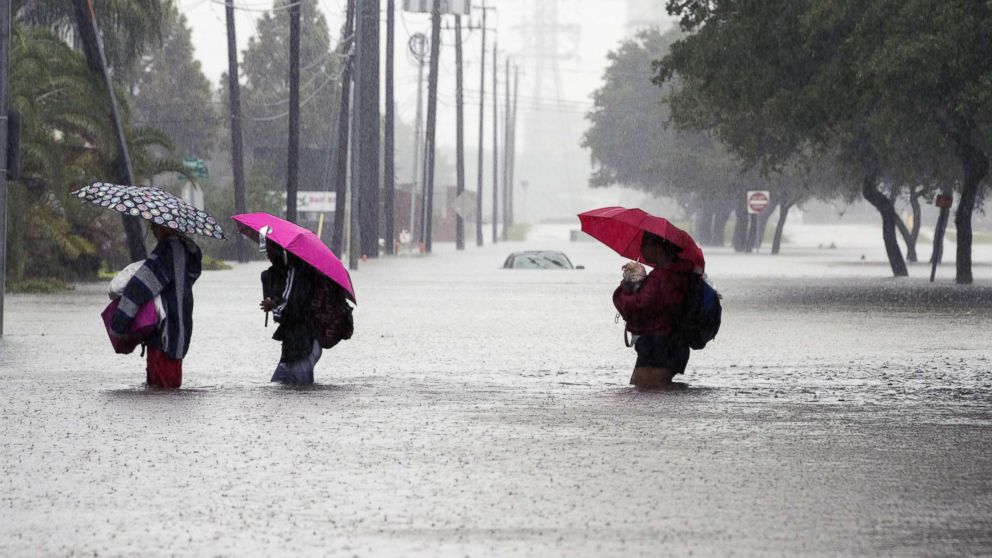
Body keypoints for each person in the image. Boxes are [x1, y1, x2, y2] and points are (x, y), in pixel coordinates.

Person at [110, 223, 202, 388]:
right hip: (180, 332)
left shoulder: (166, 251)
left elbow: (139, 288)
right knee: (170, 392)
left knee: (160, 392)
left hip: (164, 336)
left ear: (165, 226)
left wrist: (118, 325)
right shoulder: (186, 250)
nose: (152, 229)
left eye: (155, 225)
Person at [613, 232, 694, 388]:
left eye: (644, 246)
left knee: (645, 390)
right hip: (670, 344)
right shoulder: (677, 273)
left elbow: (636, 305)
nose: (641, 250)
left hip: (660, 345)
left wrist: (625, 286)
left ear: (658, 248)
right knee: (650, 390)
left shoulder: (663, 277)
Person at [260, 243, 321, 384]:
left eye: (271, 251)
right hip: (295, 343)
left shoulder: (296, 274)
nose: (269, 256)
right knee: (284, 386)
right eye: (268, 252)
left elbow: (291, 305)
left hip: (303, 344)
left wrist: (273, 306)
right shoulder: (273, 275)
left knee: (297, 387)